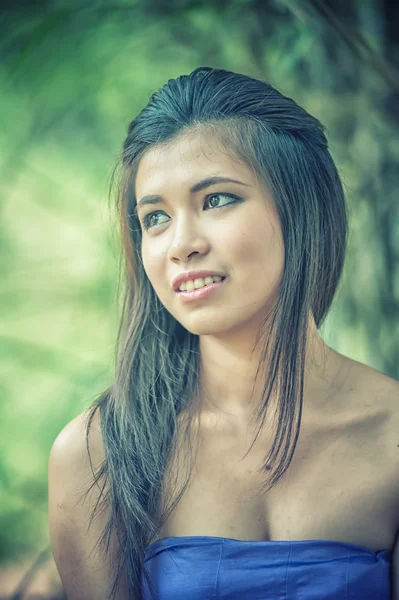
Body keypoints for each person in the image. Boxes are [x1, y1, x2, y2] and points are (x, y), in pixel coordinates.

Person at [48, 66, 399, 600]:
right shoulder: (99, 452)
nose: (180, 244)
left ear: (302, 210)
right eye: (156, 218)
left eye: (216, 200)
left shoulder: (390, 436)